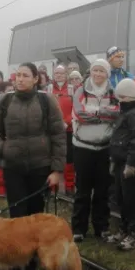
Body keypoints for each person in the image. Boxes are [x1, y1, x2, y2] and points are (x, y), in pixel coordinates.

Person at [0, 63, 66, 270]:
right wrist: (2, 148)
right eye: (18, 75)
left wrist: (56, 170)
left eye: (25, 76)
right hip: (13, 168)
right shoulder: (4, 101)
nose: (20, 79)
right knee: (15, 221)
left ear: (35, 79)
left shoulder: (46, 101)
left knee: (35, 221)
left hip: (40, 168)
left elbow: (58, 135)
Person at [71, 59, 120, 242]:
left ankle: (102, 227)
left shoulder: (113, 92)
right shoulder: (80, 91)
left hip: (105, 148)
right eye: (95, 70)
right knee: (82, 190)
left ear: (107, 74)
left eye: (102, 71)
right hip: (83, 147)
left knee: (102, 190)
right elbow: (80, 115)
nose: (98, 74)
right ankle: (78, 229)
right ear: (91, 72)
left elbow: (117, 112)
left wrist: (95, 112)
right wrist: (103, 113)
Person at [108, 78, 135, 251]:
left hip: (130, 163)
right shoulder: (126, 111)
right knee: (122, 197)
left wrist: (131, 164)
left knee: (132, 197)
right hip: (120, 161)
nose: (119, 100)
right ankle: (125, 228)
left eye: (121, 96)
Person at [50, 65, 77, 195]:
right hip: (53, 129)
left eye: (61, 73)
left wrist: (67, 122)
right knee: (53, 157)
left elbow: (75, 108)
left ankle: (69, 186)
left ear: (66, 74)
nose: (59, 75)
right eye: (56, 73)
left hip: (68, 129)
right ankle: (52, 186)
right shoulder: (49, 89)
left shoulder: (72, 89)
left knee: (69, 158)